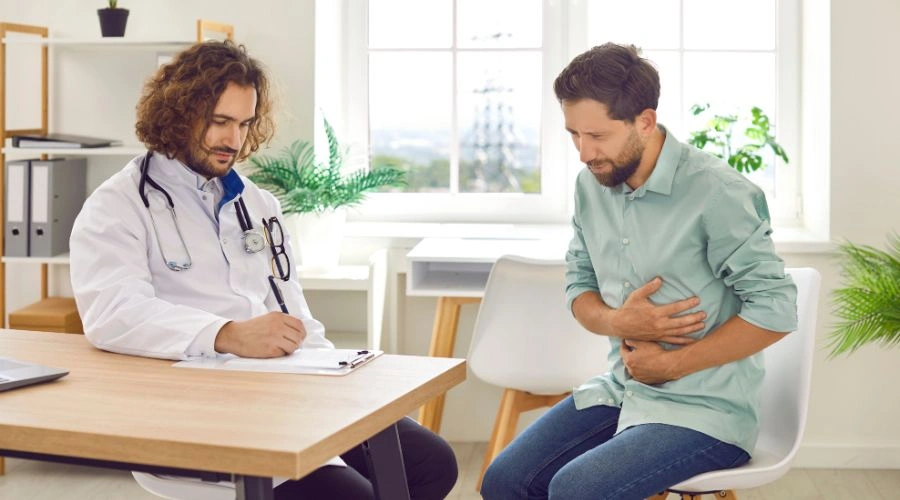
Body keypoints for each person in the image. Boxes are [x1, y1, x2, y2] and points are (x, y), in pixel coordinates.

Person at [69, 40, 457, 500]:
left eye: (244, 124)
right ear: (176, 114)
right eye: (219, 122)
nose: (233, 140)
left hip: (282, 392)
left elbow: (290, 306)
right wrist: (226, 333)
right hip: (194, 411)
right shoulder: (118, 205)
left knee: (432, 464)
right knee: (350, 496)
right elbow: (114, 314)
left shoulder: (257, 203)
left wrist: (337, 377)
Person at [480, 42, 799, 500]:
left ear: (644, 121)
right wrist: (616, 321)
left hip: (705, 411)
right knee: (504, 482)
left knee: (576, 490)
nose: (584, 153)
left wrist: (673, 363)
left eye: (598, 136)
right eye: (573, 134)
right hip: (622, 391)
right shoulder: (591, 187)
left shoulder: (718, 193)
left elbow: (777, 309)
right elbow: (579, 286)